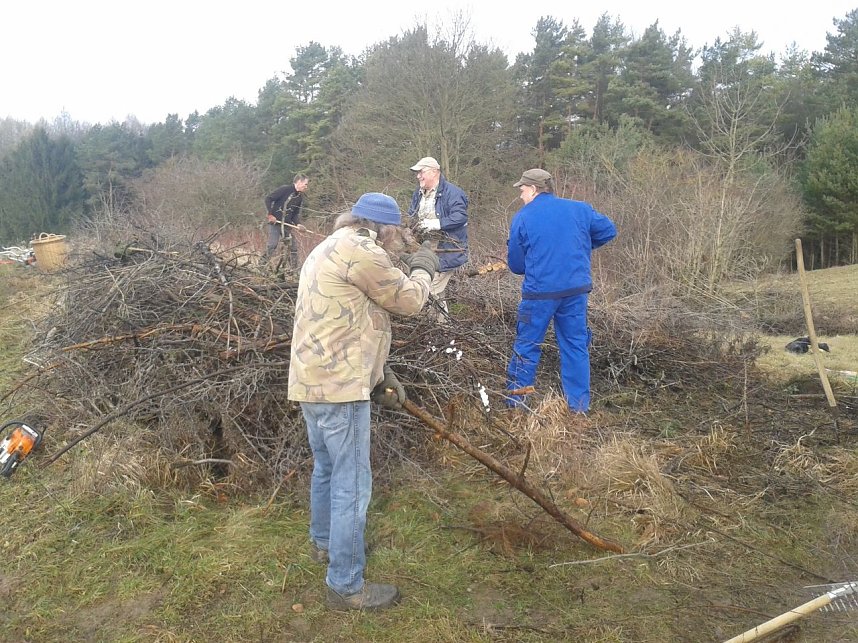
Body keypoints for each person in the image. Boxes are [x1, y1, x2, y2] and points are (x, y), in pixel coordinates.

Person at [287, 192, 439, 611]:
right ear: (383, 228)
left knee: (328, 468)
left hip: (310, 380)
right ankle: (346, 584)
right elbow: (408, 301)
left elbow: (353, 317)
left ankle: (325, 544)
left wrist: (380, 374)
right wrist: (424, 269)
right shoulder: (364, 250)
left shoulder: (327, 246)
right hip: (340, 387)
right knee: (352, 484)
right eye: (395, 234)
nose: (395, 242)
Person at [505, 168, 617, 413]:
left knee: (526, 345)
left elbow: (515, 265)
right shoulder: (580, 209)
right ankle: (578, 408)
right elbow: (609, 230)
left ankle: (515, 405)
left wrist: (535, 261)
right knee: (575, 345)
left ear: (534, 189)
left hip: (539, 294)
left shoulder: (523, 217)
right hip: (575, 291)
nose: (521, 195)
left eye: (522, 190)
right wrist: (581, 245)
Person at [407, 157, 469, 320]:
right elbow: (411, 216)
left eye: (421, 172)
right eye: (417, 173)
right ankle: (441, 328)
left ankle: (433, 326)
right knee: (436, 292)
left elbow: (460, 216)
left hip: (447, 250)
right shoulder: (418, 193)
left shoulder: (453, 193)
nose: (418, 176)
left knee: (429, 289)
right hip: (425, 250)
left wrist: (438, 223)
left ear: (434, 172)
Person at [264, 174, 309, 268]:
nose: (306, 186)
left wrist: (299, 224)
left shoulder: (299, 197)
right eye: (305, 184)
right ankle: (262, 265)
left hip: (286, 226)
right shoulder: (285, 189)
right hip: (275, 223)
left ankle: (294, 270)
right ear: (299, 182)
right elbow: (268, 199)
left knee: (293, 248)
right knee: (272, 245)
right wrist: (270, 214)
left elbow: (295, 215)